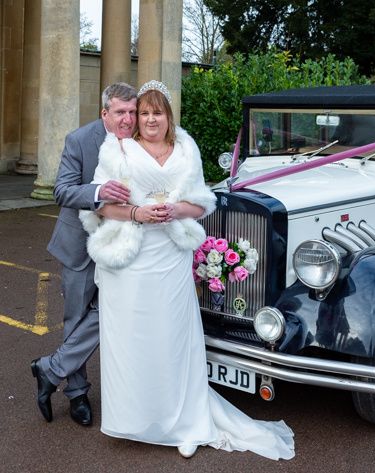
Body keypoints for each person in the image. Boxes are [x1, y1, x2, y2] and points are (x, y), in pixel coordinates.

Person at [78, 80, 295, 460]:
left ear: (168, 116)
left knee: (173, 339)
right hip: (130, 261)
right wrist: (137, 213)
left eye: (156, 112)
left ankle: (184, 421)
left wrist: (178, 210)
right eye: (142, 113)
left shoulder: (185, 148)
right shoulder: (118, 150)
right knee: (132, 342)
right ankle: (135, 419)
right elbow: (97, 207)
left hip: (171, 257)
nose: (148, 119)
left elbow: (202, 202)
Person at [31, 82, 137, 426]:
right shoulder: (79, 140)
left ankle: (51, 368)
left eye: (132, 111)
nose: (128, 119)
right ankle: (77, 395)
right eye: (121, 112)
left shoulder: (142, 142)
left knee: (113, 309)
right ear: (105, 112)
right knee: (75, 318)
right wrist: (98, 191)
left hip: (122, 246)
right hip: (79, 246)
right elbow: (61, 190)